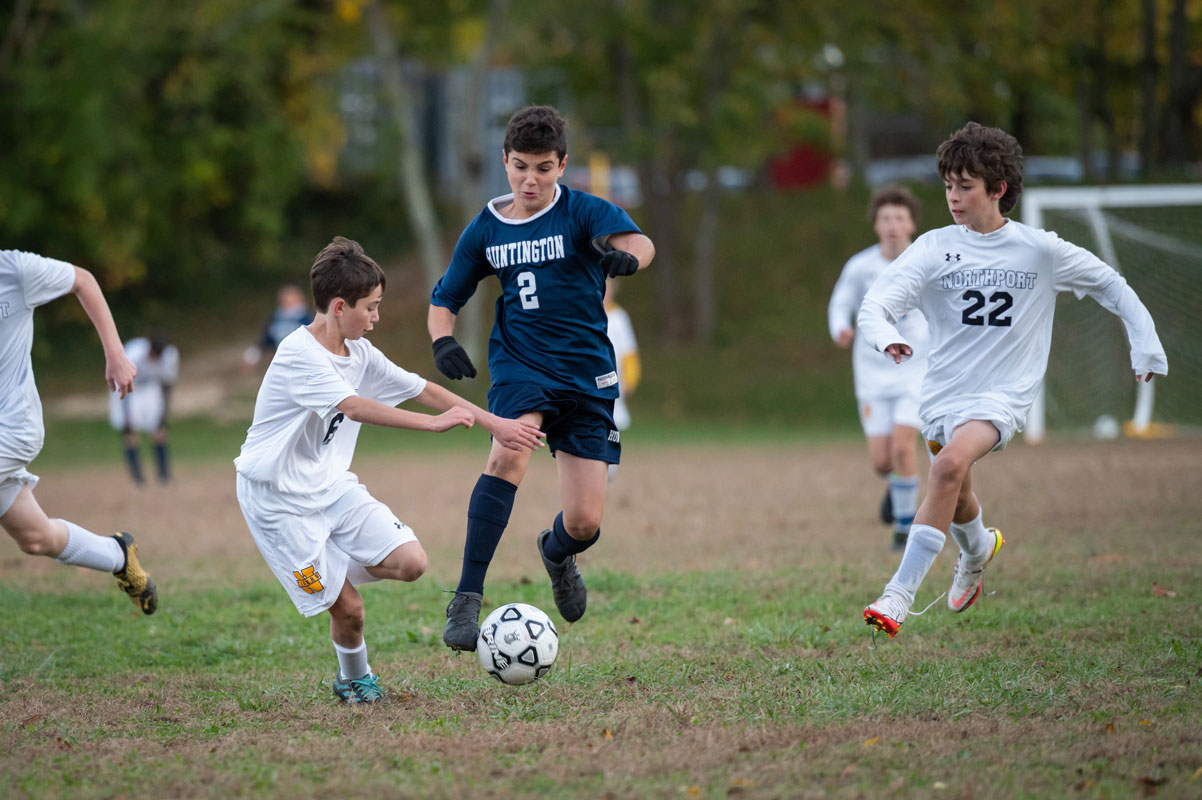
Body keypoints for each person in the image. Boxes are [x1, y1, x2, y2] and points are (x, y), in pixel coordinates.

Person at [858, 122, 1167, 638]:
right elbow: (877, 303)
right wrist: (883, 334)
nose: (953, 198)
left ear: (998, 189)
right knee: (955, 491)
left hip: (1003, 395)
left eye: (966, 187)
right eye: (949, 186)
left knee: (948, 465)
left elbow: (1111, 284)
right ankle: (978, 550)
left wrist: (1145, 342)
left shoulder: (1039, 250)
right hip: (942, 394)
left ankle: (898, 595)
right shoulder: (935, 248)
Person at [234, 237, 543, 704]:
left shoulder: (358, 352)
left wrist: (496, 424)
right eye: (371, 308)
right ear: (340, 306)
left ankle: (330, 568)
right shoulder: (299, 354)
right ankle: (353, 677)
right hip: (278, 506)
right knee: (350, 610)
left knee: (412, 562)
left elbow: (424, 389)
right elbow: (355, 407)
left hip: (330, 488)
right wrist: (432, 426)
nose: (377, 317)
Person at [427, 105, 655, 651]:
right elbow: (445, 298)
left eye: (544, 168)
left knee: (584, 523)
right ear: (504, 162)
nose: (531, 179)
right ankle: (466, 599)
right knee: (510, 449)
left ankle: (555, 555)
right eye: (521, 166)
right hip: (520, 364)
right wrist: (442, 340)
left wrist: (629, 261)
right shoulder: (486, 227)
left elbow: (640, 243)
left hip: (587, 373)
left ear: (562, 166)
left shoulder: (583, 211)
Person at [0, 249, 157, 614]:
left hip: (13, 426)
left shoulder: (15, 270)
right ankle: (118, 555)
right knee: (36, 538)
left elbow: (83, 280)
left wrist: (115, 353)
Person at [827, 185, 928, 550]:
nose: (892, 225)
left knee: (904, 447)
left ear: (912, 223)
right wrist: (840, 327)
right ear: (875, 224)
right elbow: (840, 303)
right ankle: (897, 485)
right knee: (882, 462)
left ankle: (904, 528)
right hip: (872, 375)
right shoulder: (861, 266)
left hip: (915, 371)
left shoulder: (925, 262)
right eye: (885, 217)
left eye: (899, 217)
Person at [108, 332, 179, 485]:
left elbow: (167, 386)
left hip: (151, 389)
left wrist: (163, 417)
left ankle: (164, 475)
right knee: (131, 433)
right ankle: (138, 478)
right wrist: (126, 416)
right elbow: (123, 383)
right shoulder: (134, 354)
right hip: (130, 389)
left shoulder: (169, 357)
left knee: (159, 432)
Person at [604, 277, 641, 481]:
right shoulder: (587, 313)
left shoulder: (619, 317)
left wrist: (631, 378)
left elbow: (629, 352)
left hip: (615, 381)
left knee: (613, 421)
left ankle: (610, 460)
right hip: (590, 380)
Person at [240, 284, 313, 374]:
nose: (288, 300)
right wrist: (251, 357)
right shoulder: (275, 318)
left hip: (304, 365)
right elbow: (264, 342)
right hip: (280, 365)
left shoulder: (309, 318)